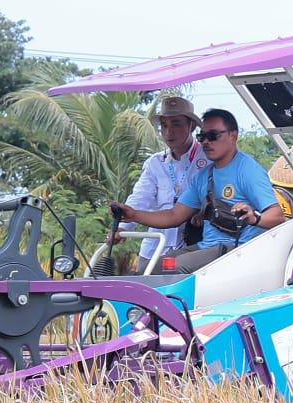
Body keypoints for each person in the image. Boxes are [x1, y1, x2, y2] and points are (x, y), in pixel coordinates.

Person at [112, 108, 284, 273]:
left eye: (213, 136)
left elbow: (277, 216)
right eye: (202, 137)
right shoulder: (204, 176)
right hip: (207, 247)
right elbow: (174, 215)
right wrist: (133, 215)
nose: (206, 142)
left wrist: (255, 218)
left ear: (233, 136)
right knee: (151, 268)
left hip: (237, 250)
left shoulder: (247, 170)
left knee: (176, 267)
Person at [119, 95, 208, 271]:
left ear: (191, 126)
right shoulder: (155, 162)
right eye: (164, 126)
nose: (169, 132)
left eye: (176, 124)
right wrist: (121, 228)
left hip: (194, 247)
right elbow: (140, 197)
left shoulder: (207, 159)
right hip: (155, 247)